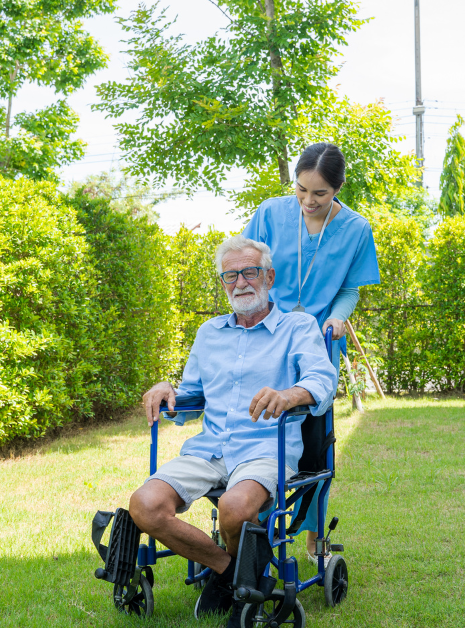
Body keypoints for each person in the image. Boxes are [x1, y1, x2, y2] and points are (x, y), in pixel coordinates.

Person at [131, 235, 337, 626]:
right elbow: (189, 399)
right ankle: (232, 575)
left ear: (269, 276)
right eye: (230, 275)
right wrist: (167, 390)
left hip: (266, 448)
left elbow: (323, 381)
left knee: (235, 508)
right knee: (145, 505)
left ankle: (231, 579)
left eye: (250, 272)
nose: (240, 282)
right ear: (223, 283)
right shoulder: (209, 332)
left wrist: (291, 394)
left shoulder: (298, 326)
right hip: (210, 449)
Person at [242, 142, 380, 560]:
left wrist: (338, 318)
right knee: (258, 435)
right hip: (269, 338)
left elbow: (349, 289)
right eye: (301, 189)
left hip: (316, 347)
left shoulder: (356, 228)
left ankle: (314, 534)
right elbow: (246, 266)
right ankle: (248, 525)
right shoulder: (270, 212)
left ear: (338, 188)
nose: (307, 201)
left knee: (317, 450)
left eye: (319, 193)